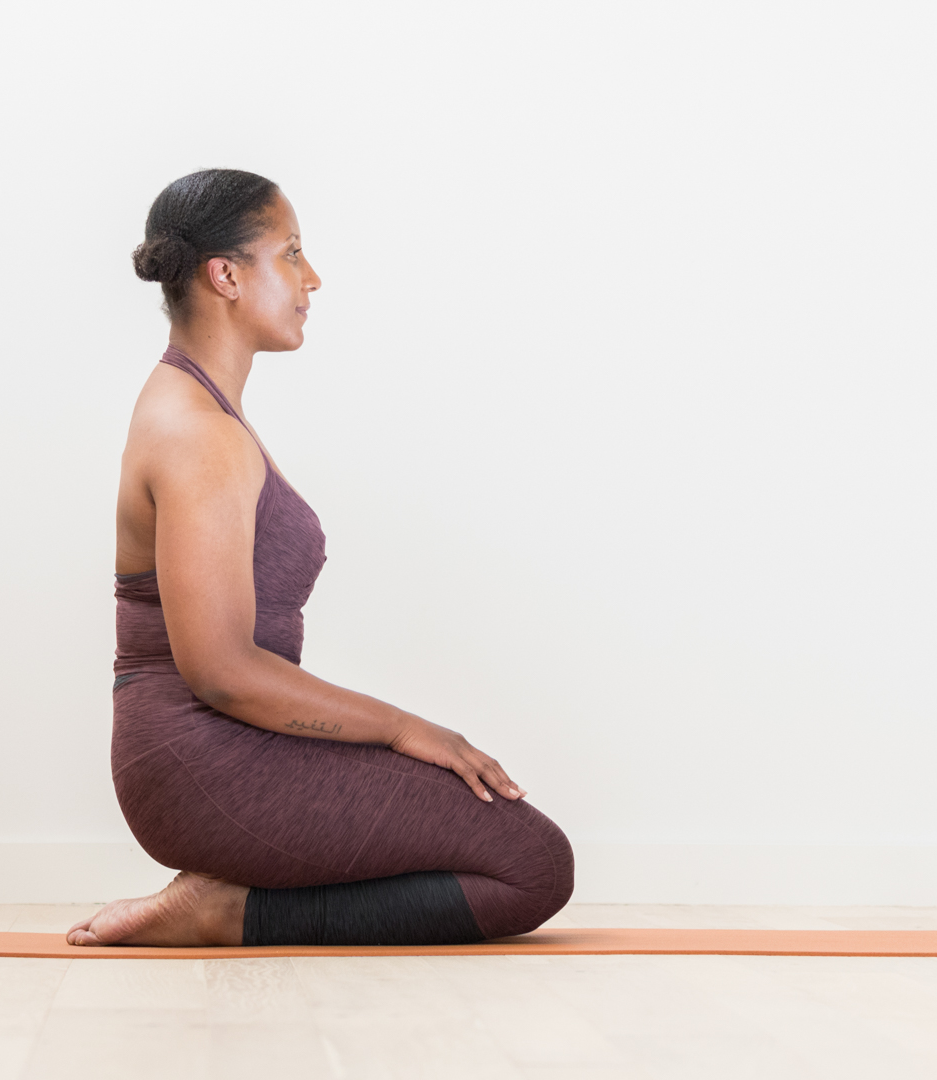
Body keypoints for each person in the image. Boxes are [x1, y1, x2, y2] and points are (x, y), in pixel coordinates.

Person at [68, 169, 573, 948]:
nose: (312, 279)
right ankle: (225, 912)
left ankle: (232, 898)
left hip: (227, 747)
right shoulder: (198, 434)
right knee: (532, 868)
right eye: (292, 253)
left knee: (520, 852)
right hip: (201, 760)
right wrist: (403, 728)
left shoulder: (204, 410)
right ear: (226, 276)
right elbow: (221, 671)